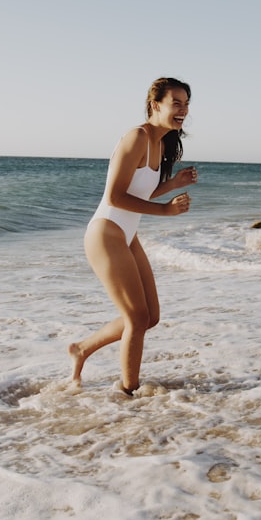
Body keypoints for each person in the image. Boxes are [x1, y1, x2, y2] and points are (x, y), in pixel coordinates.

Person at [68, 77, 198, 396]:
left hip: (127, 234)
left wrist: (172, 183)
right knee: (136, 318)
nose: (183, 110)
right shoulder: (136, 137)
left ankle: (82, 349)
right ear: (156, 105)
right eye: (176, 103)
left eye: (186, 104)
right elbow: (114, 197)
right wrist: (166, 211)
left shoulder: (159, 142)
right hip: (105, 233)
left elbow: (138, 189)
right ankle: (129, 393)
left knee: (149, 317)